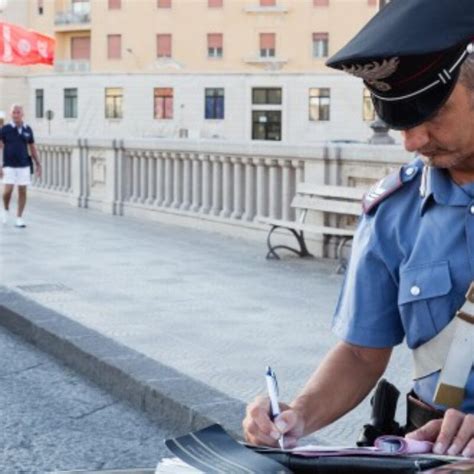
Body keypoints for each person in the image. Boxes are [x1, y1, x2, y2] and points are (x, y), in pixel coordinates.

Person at [243, 0, 474, 459]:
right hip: (430, 455)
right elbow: (361, 353)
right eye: (401, 123)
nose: (412, 142)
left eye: (432, 115)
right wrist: (297, 415)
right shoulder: (392, 212)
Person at [0, 104, 41, 228]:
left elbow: (32, 147)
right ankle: (6, 209)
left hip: (24, 165)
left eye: (18, 112)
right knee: (7, 191)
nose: (16, 114)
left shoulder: (28, 129)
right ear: (11, 114)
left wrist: (38, 163)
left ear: (22, 114)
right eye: (14, 112)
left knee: (22, 191)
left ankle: (19, 218)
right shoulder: (5, 129)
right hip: (9, 165)